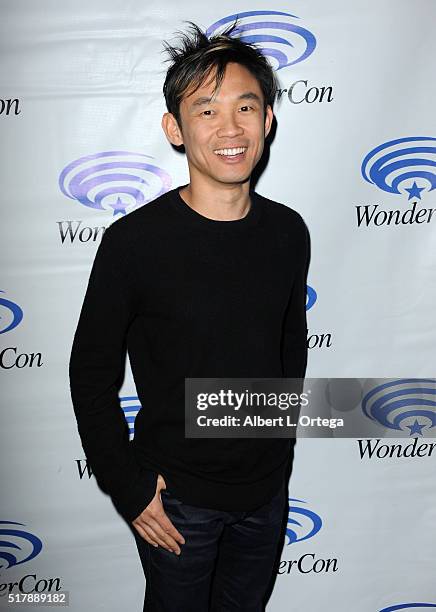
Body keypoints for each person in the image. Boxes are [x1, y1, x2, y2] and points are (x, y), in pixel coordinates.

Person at [69, 18, 310, 612]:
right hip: (175, 501)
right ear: (175, 129)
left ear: (268, 121)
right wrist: (127, 487)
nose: (229, 128)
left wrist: (277, 455)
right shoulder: (134, 242)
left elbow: (290, 347)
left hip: (266, 496)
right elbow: (90, 372)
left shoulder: (288, 231)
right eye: (206, 110)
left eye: (245, 107)